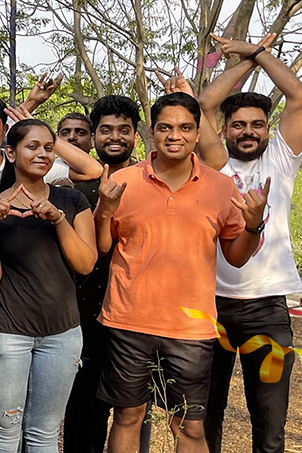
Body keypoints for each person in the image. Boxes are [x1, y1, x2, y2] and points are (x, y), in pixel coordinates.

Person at [96, 92, 265, 453]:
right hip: (128, 321)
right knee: (128, 415)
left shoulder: (221, 187)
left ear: (198, 132)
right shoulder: (124, 181)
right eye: (166, 127)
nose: (175, 135)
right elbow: (102, 246)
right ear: (152, 132)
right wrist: (104, 211)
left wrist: (253, 225)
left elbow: (236, 257)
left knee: (188, 426)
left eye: (185, 127)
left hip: (191, 327)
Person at [195, 33, 301, 453]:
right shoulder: (216, 164)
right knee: (206, 415)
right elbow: (203, 104)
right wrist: (246, 60)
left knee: (269, 421)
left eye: (257, 124)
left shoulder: (281, 159)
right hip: (212, 307)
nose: (248, 131)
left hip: (267, 310)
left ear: (268, 129)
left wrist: (257, 52)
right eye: (238, 124)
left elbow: (297, 96)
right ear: (224, 130)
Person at [0, 119, 97, 452]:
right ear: (11, 153)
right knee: (4, 430)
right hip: (4, 332)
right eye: (32, 146)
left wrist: (58, 220)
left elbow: (85, 263)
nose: (42, 153)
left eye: (48, 147)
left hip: (62, 334)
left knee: (45, 432)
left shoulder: (71, 201)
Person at [62, 95, 148, 453]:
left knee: (135, 412)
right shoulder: (73, 190)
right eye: (106, 130)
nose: (115, 137)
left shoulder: (151, 183)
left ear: (136, 136)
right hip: (85, 314)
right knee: (84, 410)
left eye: (123, 130)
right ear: (94, 136)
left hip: (139, 315)